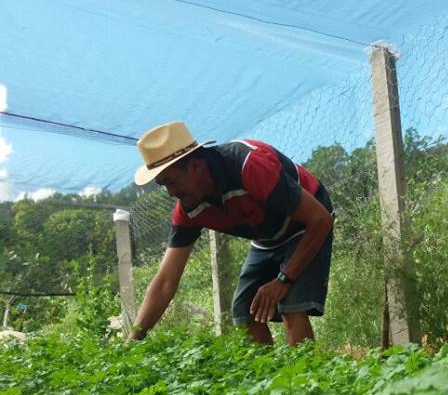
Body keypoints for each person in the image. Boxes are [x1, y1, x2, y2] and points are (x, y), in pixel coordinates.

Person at [128, 121, 334, 346]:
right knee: (245, 310)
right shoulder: (187, 210)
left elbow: (320, 219)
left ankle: (306, 377)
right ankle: (270, 377)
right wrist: (134, 339)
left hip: (307, 223)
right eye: (162, 185)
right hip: (266, 238)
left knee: (291, 305)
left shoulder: (249, 166)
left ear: (196, 166)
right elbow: (166, 279)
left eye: (171, 181)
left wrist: (283, 280)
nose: (170, 193)